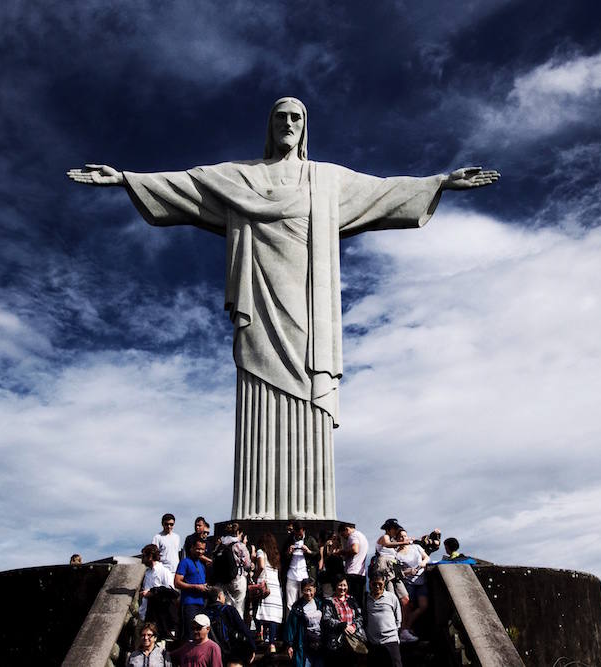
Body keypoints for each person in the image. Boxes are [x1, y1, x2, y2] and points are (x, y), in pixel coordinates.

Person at [68, 98, 499, 522]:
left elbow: (384, 190)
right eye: (280, 117)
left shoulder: (327, 180)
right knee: (259, 382)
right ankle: (255, 508)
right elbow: (188, 184)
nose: (288, 123)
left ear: (305, 126)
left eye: (296, 117)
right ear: (270, 126)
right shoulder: (241, 177)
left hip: (311, 306)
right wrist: (125, 178)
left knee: (310, 386)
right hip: (259, 298)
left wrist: (440, 181)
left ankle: (311, 507)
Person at [320, 576, 366, 667]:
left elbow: (360, 616)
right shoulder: (329, 601)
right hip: (337, 643)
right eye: (340, 585)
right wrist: (342, 626)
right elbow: (326, 619)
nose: (343, 588)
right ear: (335, 586)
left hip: (353, 641)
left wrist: (353, 626)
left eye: (345, 585)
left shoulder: (352, 600)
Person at [203, 588, 256, 665]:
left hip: (210, 652)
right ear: (220, 596)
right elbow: (243, 629)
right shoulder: (229, 610)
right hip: (230, 651)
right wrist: (253, 647)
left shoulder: (204, 613)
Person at [210, 522, 252, 618]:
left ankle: (227, 630)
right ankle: (237, 630)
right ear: (238, 532)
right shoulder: (239, 545)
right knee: (238, 607)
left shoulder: (220, 545)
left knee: (226, 606)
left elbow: (214, 559)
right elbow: (247, 564)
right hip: (237, 579)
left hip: (222, 581)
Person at [395, 529, 429, 637]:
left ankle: (406, 627)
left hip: (421, 580)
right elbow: (397, 572)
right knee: (409, 606)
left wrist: (424, 562)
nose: (404, 538)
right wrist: (408, 571)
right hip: (409, 583)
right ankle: (406, 631)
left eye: (405, 536)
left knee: (423, 606)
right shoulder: (397, 554)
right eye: (401, 536)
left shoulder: (416, 547)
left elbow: (427, 557)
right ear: (397, 539)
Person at [140, 544, 178, 639]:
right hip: (148, 614)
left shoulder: (164, 571)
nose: (142, 559)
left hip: (161, 616)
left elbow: (172, 593)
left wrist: (153, 593)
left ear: (150, 556)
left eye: (144, 556)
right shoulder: (148, 573)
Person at [284, 578, 324, 667]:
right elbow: (291, 627)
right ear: (302, 591)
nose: (308, 593)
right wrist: (289, 644)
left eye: (310, 590)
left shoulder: (320, 604)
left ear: (315, 590)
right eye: (306, 590)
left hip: (319, 643)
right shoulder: (297, 607)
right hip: (304, 644)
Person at [176, 538, 211, 640]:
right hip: (189, 603)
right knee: (190, 635)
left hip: (201, 603)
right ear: (191, 548)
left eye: (203, 549)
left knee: (201, 636)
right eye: (198, 549)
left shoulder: (201, 564)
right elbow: (177, 582)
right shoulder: (185, 562)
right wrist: (195, 587)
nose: (200, 551)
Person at [253, 532, 283, 651]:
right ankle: (272, 644)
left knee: (258, 610)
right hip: (275, 587)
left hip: (264, 585)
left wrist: (255, 576)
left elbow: (260, 566)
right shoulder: (275, 555)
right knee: (273, 616)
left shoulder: (261, 552)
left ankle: (259, 633)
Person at [365, 575, 402, 667]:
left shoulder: (391, 597)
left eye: (380, 584)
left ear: (384, 584)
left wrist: (393, 632)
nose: (377, 586)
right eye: (374, 584)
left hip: (391, 640)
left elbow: (398, 618)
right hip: (374, 642)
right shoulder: (366, 599)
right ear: (370, 584)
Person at [284, 522, 319, 611]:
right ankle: (291, 622)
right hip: (291, 574)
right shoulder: (289, 540)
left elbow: (318, 555)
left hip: (305, 574)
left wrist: (308, 551)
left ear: (303, 530)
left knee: (305, 600)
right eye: (295, 532)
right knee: (290, 603)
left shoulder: (310, 540)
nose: (298, 535)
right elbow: (283, 557)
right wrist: (288, 552)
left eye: (300, 533)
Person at [338, 524, 369, 603]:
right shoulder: (362, 536)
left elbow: (355, 549)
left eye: (343, 535)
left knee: (351, 601)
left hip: (352, 573)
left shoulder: (353, 536)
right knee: (359, 601)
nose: (344, 538)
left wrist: (342, 552)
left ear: (346, 529)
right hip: (361, 573)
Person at [318, 531, 345, 599]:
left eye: (336, 539)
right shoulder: (325, 549)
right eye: (333, 539)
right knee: (328, 597)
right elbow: (323, 560)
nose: (334, 541)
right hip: (328, 578)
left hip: (338, 577)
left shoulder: (342, 552)